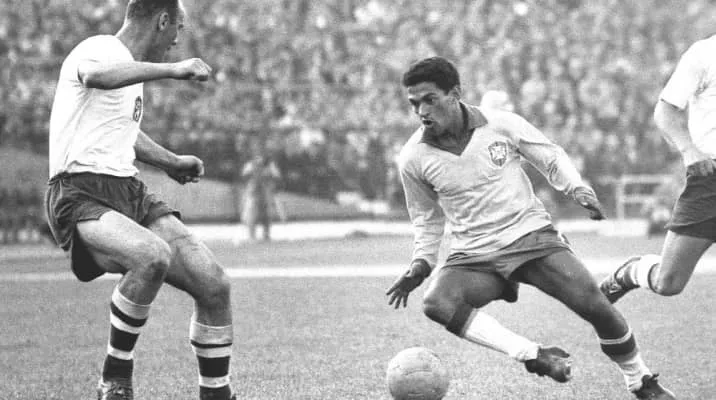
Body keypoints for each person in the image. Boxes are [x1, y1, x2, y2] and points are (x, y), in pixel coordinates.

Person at [386, 57, 675, 399]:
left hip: (530, 238)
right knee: (437, 302)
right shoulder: (413, 158)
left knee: (597, 308)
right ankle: (533, 355)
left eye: (429, 99)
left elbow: (549, 156)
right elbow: (426, 218)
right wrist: (421, 263)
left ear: (455, 94)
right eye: (414, 103)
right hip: (473, 255)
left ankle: (640, 380)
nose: (421, 111)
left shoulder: (501, 124)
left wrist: (577, 188)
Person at [45, 1, 235, 399]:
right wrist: (174, 70)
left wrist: (171, 161)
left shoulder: (129, 72)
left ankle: (217, 394)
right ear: (163, 20)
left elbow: (124, 131)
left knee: (213, 283)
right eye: (178, 28)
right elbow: (97, 75)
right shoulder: (99, 48)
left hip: (128, 189)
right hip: (79, 191)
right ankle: (115, 378)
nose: (177, 41)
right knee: (151, 255)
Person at [600, 35, 716, 304]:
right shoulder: (704, 53)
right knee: (668, 282)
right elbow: (665, 112)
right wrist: (689, 150)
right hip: (710, 177)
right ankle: (632, 271)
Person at [240, 148, 283, 241]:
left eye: (261, 156)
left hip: (266, 191)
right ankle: (252, 235)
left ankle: (266, 235)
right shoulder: (250, 165)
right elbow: (244, 176)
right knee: (252, 214)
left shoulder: (270, 165)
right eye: (257, 156)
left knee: (267, 214)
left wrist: (269, 179)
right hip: (254, 192)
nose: (259, 158)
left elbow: (277, 177)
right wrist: (253, 176)